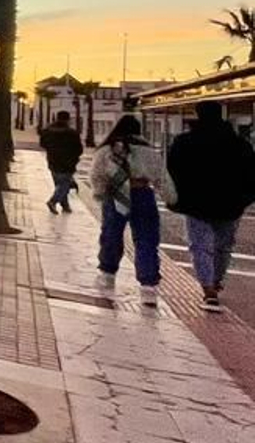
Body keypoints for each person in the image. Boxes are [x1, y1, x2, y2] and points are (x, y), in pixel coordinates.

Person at [167, 101, 255, 312]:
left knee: (200, 245)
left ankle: (208, 287)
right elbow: (252, 175)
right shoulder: (240, 144)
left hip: (195, 203)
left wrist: (180, 197)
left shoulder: (184, 142)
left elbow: (172, 170)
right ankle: (216, 280)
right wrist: (244, 200)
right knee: (223, 246)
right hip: (230, 205)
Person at [90, 116, 175, 306]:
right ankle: (148, 285)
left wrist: (99, 193)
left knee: (111, 234)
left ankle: (107, 273)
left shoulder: (107, 150)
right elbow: (161, 177)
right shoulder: (148, 151)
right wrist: (171, 198)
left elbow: (96, 174)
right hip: (143, 193)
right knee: (146, 238)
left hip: (115, 194)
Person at [38, 111, 84, 213]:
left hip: (53, 160)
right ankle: (53, 201)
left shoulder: (47, 131)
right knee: (64, 184)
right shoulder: (72, 133)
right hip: (68, 162)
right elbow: (79, 149)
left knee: (59, 184)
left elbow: (42, 144)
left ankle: (65, 205)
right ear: (68, 120)